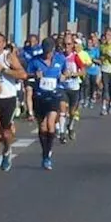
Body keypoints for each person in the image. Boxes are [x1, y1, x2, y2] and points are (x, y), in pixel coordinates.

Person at [0, 33, 26, 174]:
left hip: (8, 98)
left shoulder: (8, 57)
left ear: (4, 44)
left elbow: (23, 74)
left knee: (6, 133)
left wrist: (3, 70)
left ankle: (7, 150)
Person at [26, 39, 67, 169]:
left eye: (49, 52)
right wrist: (34, 75)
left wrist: (64, 76)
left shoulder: (60, 59)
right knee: (42, 127)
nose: (47, 54)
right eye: (45, 51)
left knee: (50, 124)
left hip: (54, 95)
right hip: (40, 96)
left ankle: (48, 155)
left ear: (53, 50)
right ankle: (45, 153)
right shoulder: (35, 60)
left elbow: (66, 71)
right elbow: (26, 75)